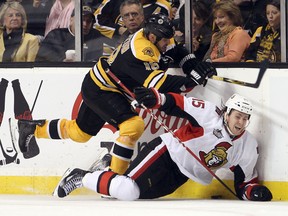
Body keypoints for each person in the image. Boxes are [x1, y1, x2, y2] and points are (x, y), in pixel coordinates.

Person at [9, 13, 217, 175]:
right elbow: (160, 84)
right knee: (133, 125)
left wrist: (192, 66)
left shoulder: (155, 37)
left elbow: (177, 51)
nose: (167, 43)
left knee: (81, 133)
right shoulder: (140, 51)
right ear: (153, 37)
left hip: (101, 85)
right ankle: (114, 176)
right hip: (102, 90)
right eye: (164, 40)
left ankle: (32, 128)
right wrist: (192, 80)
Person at [52, 90, 273, 202]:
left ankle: (105, 168)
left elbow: (245, 182)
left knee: (128, 195)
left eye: (245, 118)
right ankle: (79, 176)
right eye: (237, 116)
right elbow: (178, 103)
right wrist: (156, 98)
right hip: (167, 151)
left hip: (182, 175)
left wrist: (253, 192)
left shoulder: (247, 145)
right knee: (127, 190)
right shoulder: (209, 114)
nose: (240, 123)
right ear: (227, 113)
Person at [35, 4, 109, 62]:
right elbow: (41, 60)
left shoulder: (96, 36)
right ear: (71, 20)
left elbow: (97, 60)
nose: (85, 24)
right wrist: (62, 62)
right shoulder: (56, 35)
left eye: (89, 21)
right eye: (81, 19)